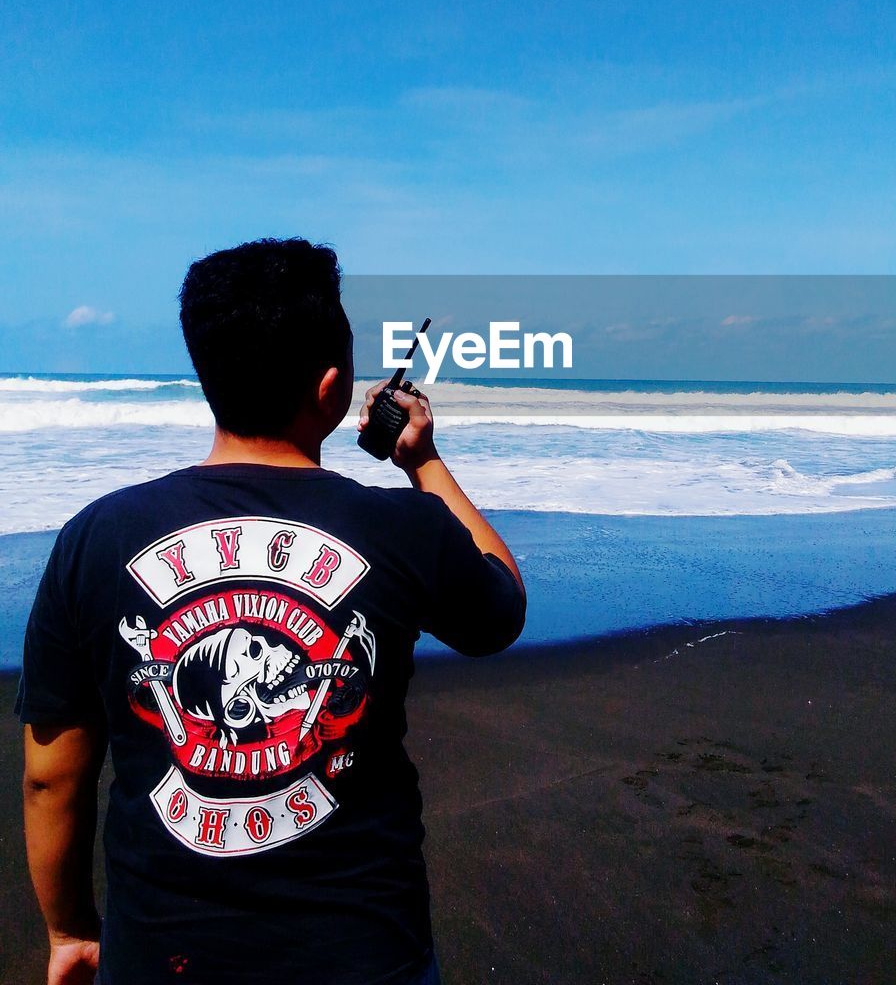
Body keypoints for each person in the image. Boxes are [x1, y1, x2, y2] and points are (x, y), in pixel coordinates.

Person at [17, 238, 526, 985]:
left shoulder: (95, 538)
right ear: (332, 389)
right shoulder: (402, 529)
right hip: (363, 956)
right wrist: (420, 458)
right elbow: (501, 607)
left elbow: (51, 775)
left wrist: (67, 929)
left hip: (161, 958)